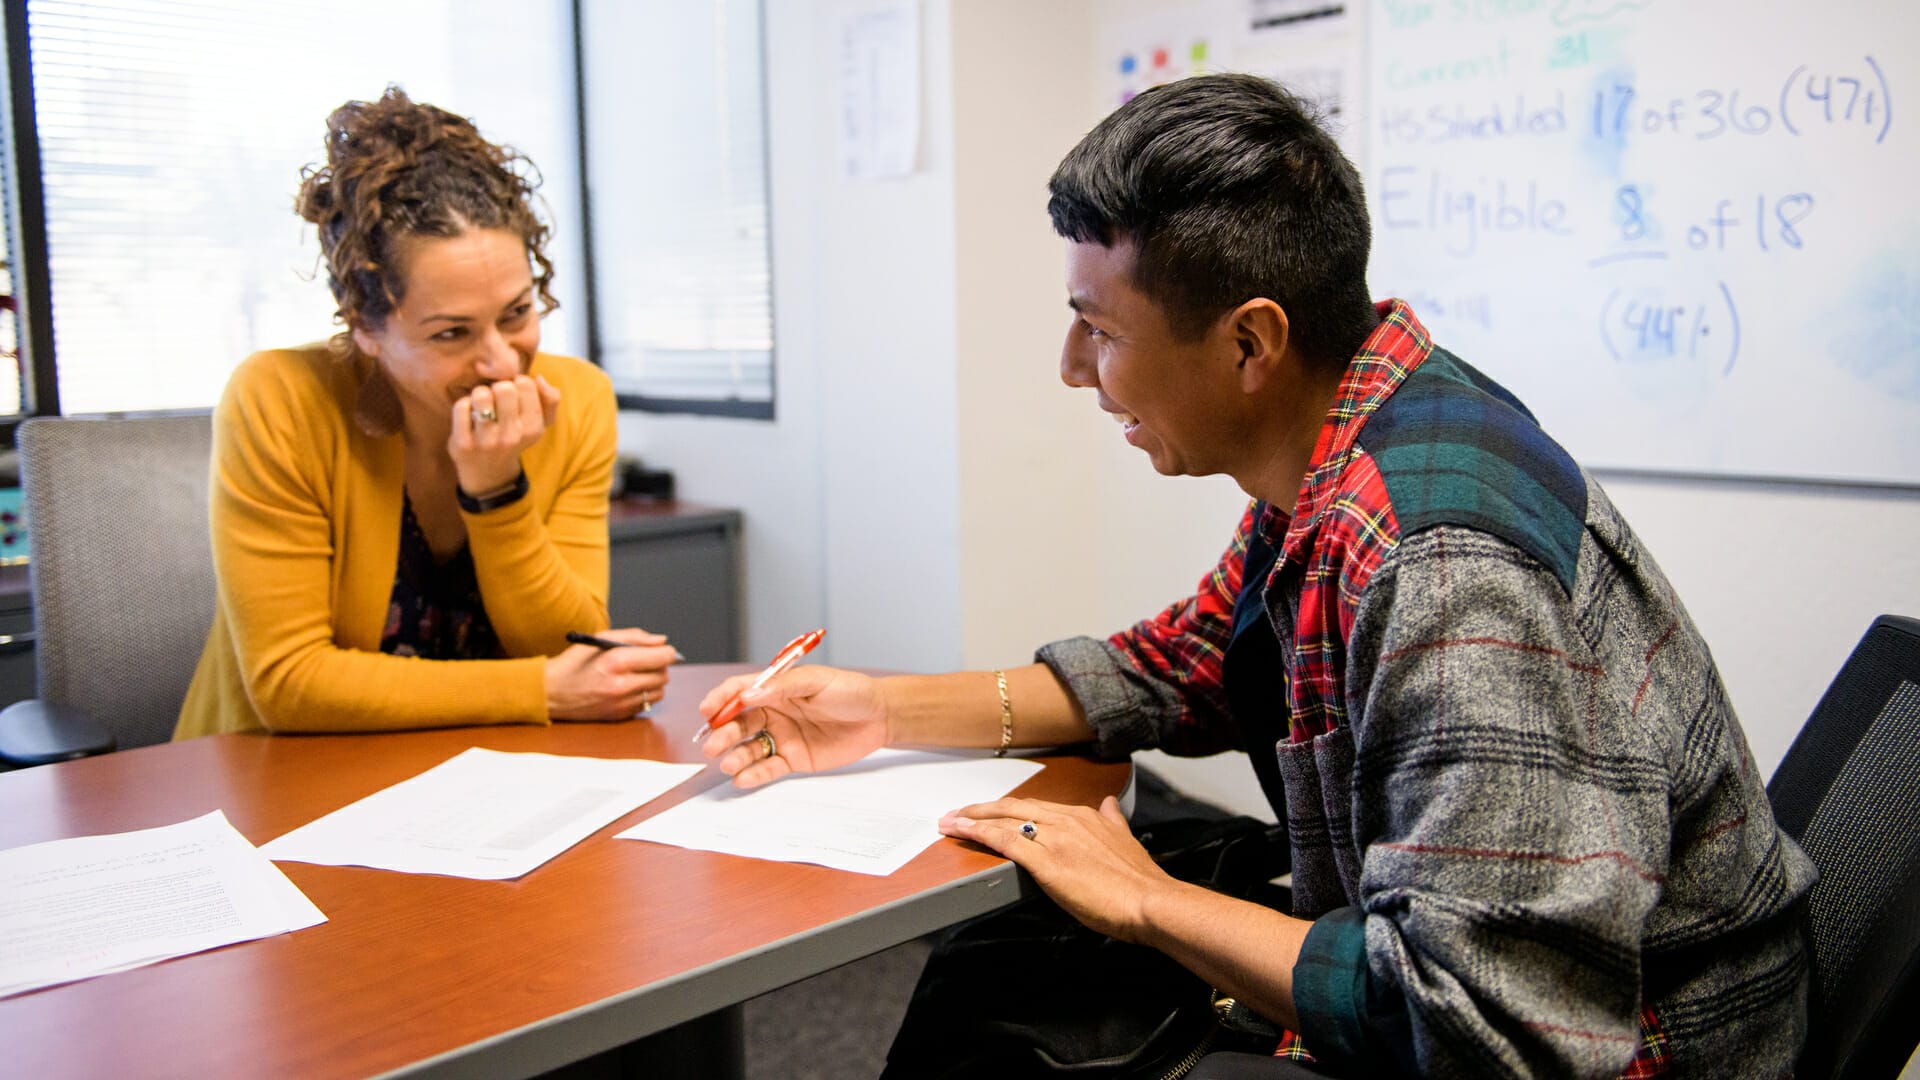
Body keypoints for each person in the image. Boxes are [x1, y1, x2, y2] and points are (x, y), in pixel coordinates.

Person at [697, 74, 1815, 1078]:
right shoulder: (1349, 436)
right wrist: (879, 710)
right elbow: (1185, 666)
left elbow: (1491, 1026)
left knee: (1029, 999)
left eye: (1097, 329)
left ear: (1248, 344)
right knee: (1009, 964)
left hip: (1644, 1045)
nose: (1073, 369)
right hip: (1461, 958)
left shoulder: (1441, 567)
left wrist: (1147, 900)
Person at [176, 87, 674, 739]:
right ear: (368, 329)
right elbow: (289, 684)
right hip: (282, 779)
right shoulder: (279, 400)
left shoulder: (578, 400)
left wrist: (496, 490)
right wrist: (538, 689)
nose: (502, 363)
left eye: (517, 313)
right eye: (451, 334)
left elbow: (568, 645)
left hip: (488, 784)